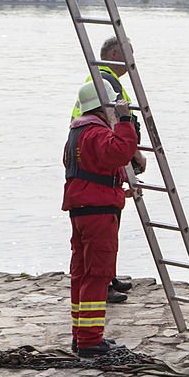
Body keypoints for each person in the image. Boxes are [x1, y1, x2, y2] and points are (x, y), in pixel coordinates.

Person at [63, 82, 138, 357]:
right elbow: (121, 151)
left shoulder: (77, 132)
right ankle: (91, 340)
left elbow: (90, 168)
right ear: (104, 105)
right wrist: (125, 120)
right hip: (98, 212)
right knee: (98, 274)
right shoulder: (97, 132)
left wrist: (116, 189)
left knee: (81, 274)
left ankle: (80, 335)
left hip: (82, 208)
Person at [72, 36, 148, 303]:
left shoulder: (95, 81)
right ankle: (104, 281)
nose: (132, 59)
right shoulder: (107, 83)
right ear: (115, 53)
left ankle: (108, 276)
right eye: (129, 52)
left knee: (100, 239)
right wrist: (134, 154)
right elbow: (115, 122)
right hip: (103, 160)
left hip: (90, 163)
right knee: (103, 235)